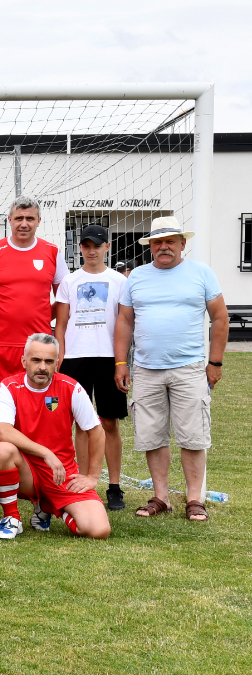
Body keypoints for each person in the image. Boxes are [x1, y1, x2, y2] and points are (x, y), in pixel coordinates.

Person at [115, 216, 229, 522]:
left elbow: (220, 318)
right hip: (147, 370)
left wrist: (214, 362)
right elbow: (125, 321)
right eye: (157, 242)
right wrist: (121, 362)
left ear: (182, 244)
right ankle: (161, 497)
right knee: (152, 436)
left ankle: (194, 499)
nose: (164, 247)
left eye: (170, 241)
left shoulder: (201, 273)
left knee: (192, 436)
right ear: (150, 246)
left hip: (189, 368)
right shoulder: (136, 277)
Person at [0, 334, 111, 539]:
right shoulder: (9, 387)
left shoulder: (71, 388)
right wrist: (46, 453)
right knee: (2, 450)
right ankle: (12, 518)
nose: (42, 367)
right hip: (24, 470)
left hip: (60, 473)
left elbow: (96, 431)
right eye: (36, 360)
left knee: (98, 530)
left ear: (57, 363)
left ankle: (48, 505)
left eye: (49, 361)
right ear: (24, 361)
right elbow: (3, 431)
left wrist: (92, 476)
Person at [54, 224, 128, 511]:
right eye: (86, 245)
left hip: (108, 357)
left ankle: (114, 486)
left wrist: (122, 362)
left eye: (97, 245)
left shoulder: (119, 281)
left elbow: (124, 323)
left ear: (107, 247)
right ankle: (81, 481)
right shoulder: (70, 282)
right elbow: (60, 324)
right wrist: (60, 356)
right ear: (80, 249)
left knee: (109, 422)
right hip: (75, 359)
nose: (91, 250)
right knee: (81, 425)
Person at [0, 197, 68, 398]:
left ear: (39, 221)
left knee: (40, 403)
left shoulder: (52, 253)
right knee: (3, 404)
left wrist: (46, 318)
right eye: (19, 218)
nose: (24, 224)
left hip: (40, 346)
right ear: (9, 220)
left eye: (30, 218)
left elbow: (65, 300)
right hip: (1, 346)